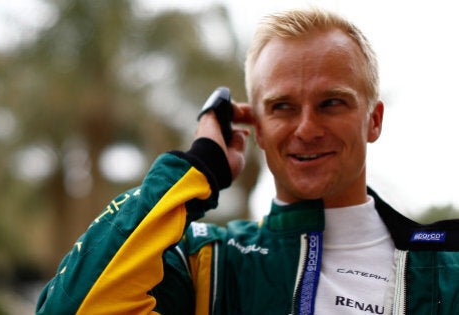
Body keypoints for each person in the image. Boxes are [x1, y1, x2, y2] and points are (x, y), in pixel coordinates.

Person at [36, 7, 459, 314]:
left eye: (331, 102)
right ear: (254, 125)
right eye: (282, 107)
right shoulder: (208, 262)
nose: (307, 128)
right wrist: (194, 170)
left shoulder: (446, 264)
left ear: (374, 120)